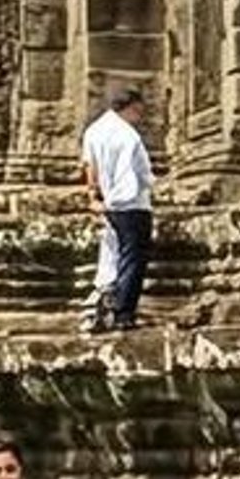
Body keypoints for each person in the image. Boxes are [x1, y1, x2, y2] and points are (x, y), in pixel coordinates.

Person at [79, 86, 155, 331]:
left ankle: (103, 305)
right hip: (133, 202)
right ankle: (124, 313)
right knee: (133, 258)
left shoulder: (94, 131)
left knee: (112, 256)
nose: (140, 117)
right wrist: (151, 184)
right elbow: (142, 173)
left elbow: (90, 166)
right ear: (131, 107)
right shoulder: (128, 136)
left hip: (109, 203)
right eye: (139, 111)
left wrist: (93, 195)